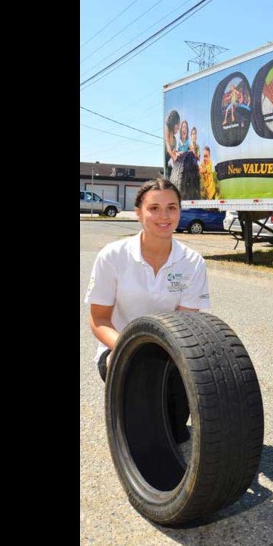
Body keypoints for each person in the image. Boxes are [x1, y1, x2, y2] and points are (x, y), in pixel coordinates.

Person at [84, 178, 211, 441]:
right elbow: (99, 319)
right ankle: (124, 407)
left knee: (173, 436)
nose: (164, 216)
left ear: (180, 212)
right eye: (154, 208)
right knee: (140, 437)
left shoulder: (192, 262)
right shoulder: (113, 255)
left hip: (170, 351)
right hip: (120, 348)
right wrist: (127, 348)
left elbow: (187, 325)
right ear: (139, 212)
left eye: (172, 207)